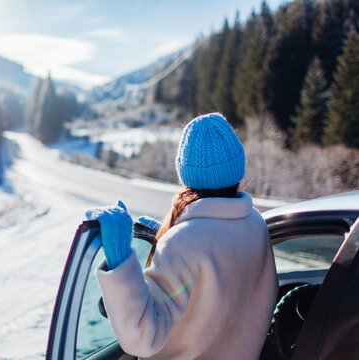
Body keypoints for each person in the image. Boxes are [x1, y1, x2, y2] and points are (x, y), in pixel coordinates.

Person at [86, 113, 278, 360]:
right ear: (237, 167)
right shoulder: (256, 225)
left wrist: (120, 261)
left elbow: (142, 339)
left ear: (185, 173)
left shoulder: (181, 243)